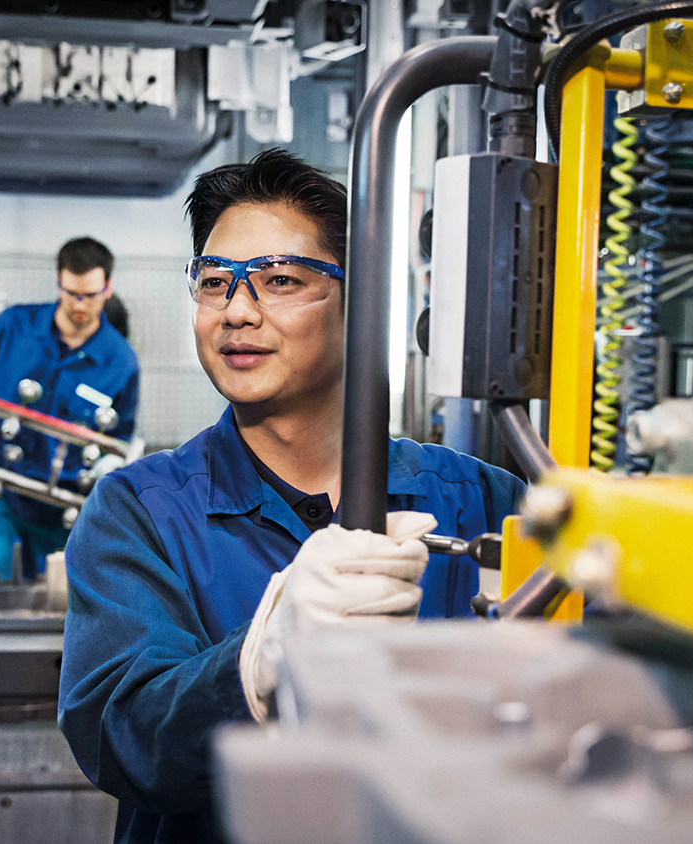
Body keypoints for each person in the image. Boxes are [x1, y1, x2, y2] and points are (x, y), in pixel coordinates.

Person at [58, 150, 525, 843]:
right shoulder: (139, 511)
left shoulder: (483, 500)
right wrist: (257, 667)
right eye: (215, 282)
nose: (236, 312)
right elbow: (120, 737)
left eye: (279, 279)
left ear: (360, 304)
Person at [0, 236, 140, 580]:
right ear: (58, 282)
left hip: (59, 506)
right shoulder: (14, 327)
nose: (79, 304)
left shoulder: (120, 362)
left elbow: (118, 439)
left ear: (108, 288)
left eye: (90, 295)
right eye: (71, 293)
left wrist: (110, 470)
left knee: (54, 599)